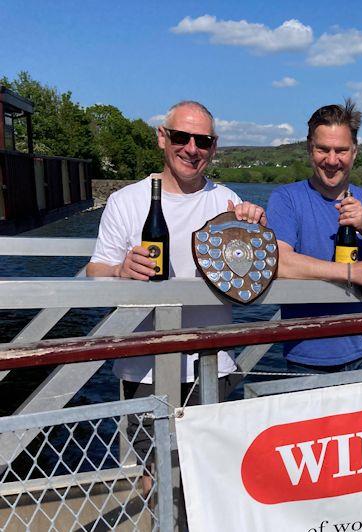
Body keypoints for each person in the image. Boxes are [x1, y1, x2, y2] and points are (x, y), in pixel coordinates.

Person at [86, 100, 264, 477]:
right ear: (162, 138)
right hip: (143, 368)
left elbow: (255, 276)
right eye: (182, 137)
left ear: (213, 147)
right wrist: (120, 269)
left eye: (203, 141)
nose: (192, 148)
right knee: (150, 477)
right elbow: (95, 270)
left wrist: (254, 229)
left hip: (212, 367)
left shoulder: (229, 202)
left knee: (211, 477)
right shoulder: (126, 202)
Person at [266, 99, 362, 372]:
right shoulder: (286, 199)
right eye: (323, 149)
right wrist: (351, 273)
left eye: (342, 150)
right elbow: (280, 262)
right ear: (309, 149)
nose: (332, 160)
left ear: (355, 152)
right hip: (305, 355)